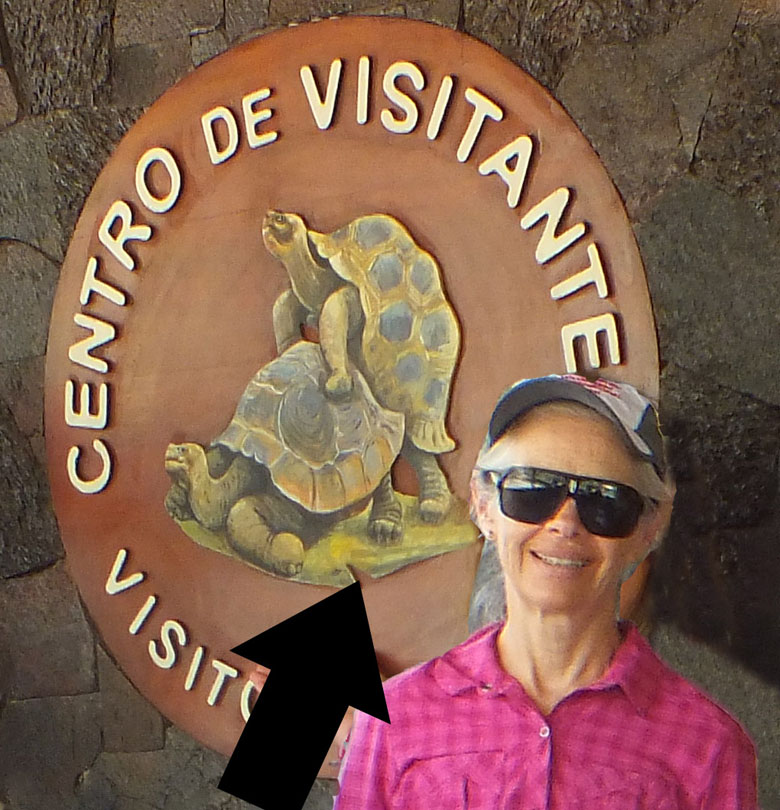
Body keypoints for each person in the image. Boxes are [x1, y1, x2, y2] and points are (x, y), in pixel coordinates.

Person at [333, 374, 758, 809]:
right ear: (484, 506)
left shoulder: (708, 747)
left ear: (649, 528)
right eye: (533, 490)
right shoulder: (395, 720)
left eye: (604, 501)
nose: (565, 524)